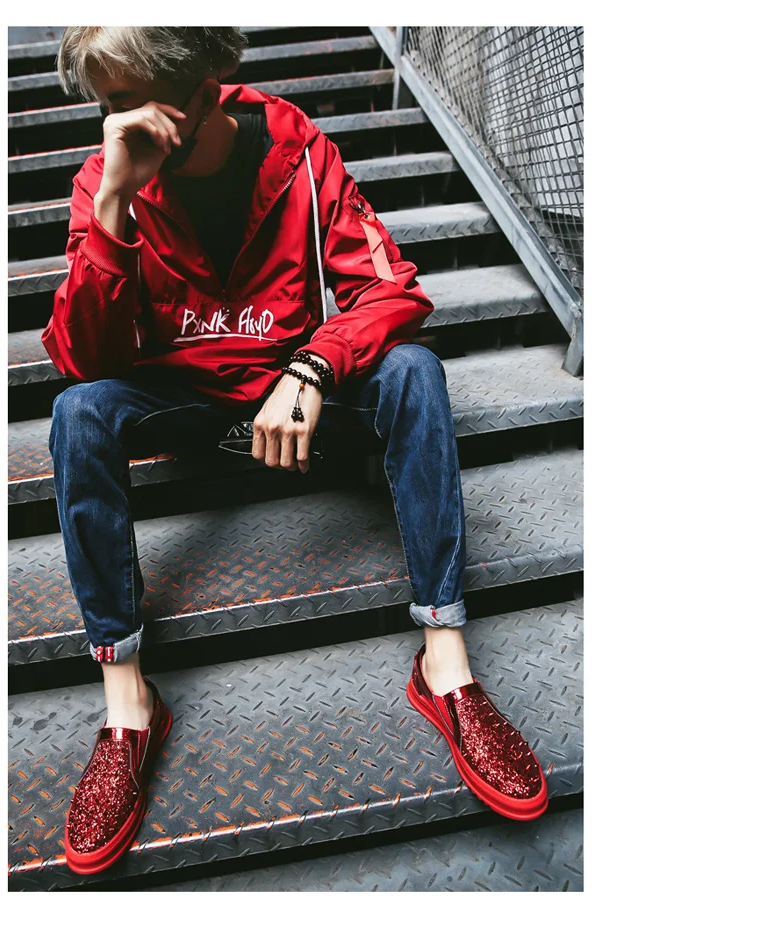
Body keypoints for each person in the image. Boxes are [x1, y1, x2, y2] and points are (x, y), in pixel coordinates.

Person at [43, 27, 547, 875]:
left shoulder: (298, 152)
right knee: (77, 412)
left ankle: (445, 662)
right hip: (186, 398)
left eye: (132, 101)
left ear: (202, 85)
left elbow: (391, 288)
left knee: (415, 371)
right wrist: (113, 208)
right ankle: (128, 699)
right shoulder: (107, 176)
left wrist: (314, 363)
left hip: (297, 393)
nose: (116, 123)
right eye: (107, 105)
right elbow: (83, 359)